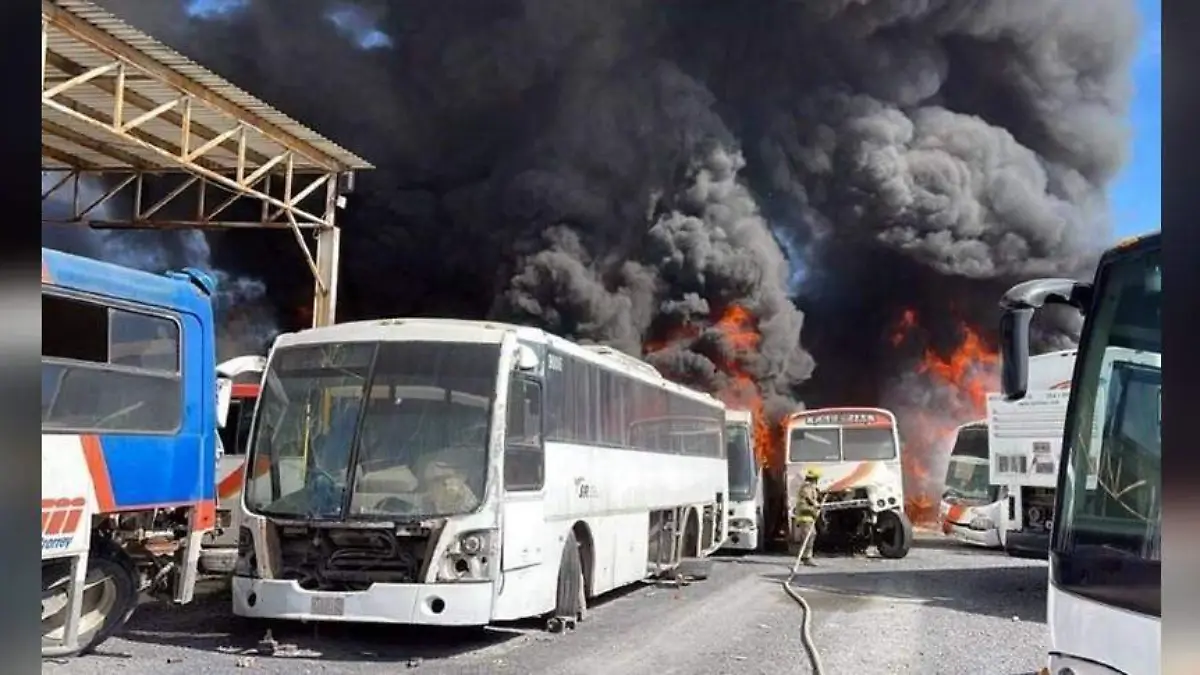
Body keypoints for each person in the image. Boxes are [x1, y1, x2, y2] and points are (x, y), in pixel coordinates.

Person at [792, 468, 823, 568]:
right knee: (808, 537)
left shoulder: (810, 488)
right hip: (805, 518)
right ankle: (806, 557)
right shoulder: (806, 489)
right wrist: (814, 509)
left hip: (809, 518)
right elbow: (806, 505)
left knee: (812, 535)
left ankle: (806, 556)